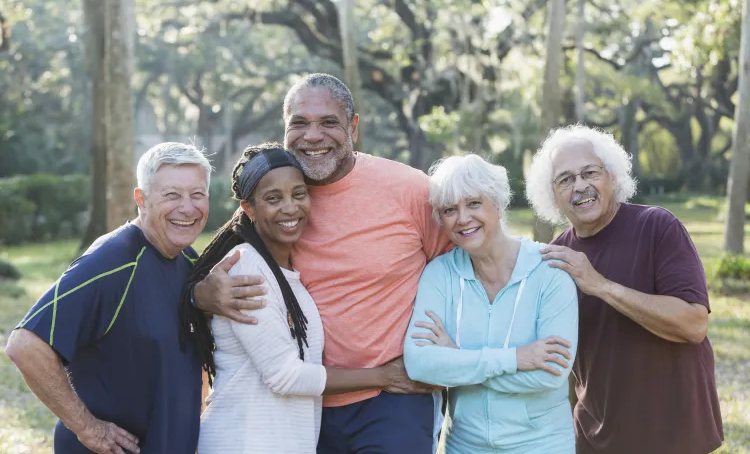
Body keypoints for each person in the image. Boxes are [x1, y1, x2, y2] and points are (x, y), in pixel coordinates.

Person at [190, 73, 452, 453]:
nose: (312, 136)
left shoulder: (409, 190)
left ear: (353, 127)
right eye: (299, 123)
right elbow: (215, 263)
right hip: (304, 408)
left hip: (395, 395)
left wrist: (452, 347)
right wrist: (200, 294)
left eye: (328, 122)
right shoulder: (278, 196)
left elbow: (463, 264)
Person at [525, 124, 724, 454]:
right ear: (554, 197)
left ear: (613, 177)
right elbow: (563, 361)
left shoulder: (658, 227)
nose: (581, 186)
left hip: (677, 435)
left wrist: (600, 285)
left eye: (590, 172)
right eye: (566, 179)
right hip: (597, 438)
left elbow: (693, 325)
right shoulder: (555, 258)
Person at [5, 142, 211, 453]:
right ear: (141, 199)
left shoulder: (190, 262)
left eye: (197, 195)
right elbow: (25, 345)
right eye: (172, 195)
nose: (187, 207)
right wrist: (87, 427)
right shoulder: (112, 263)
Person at [404, 154, 578, 454]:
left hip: (543, 445)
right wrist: (514, 358)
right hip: (465, 446)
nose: (462, 218)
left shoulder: (549, 270)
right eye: (450, 209)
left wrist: (458, 359)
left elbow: (551, 372)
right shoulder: (439, 274)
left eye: (474, 203)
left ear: (497, 203)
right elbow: (420, 364)